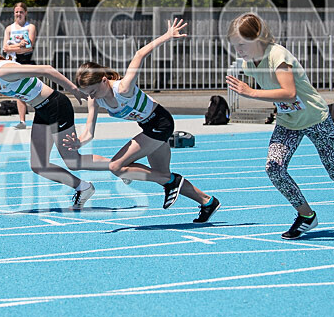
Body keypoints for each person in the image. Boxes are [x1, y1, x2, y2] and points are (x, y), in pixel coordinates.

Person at [226, 12, 334, 239]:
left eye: (241, 44)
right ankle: (306, 215)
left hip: (315, 119)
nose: (238, 50)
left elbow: (289, 92)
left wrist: (251, 92)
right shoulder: (248, 63)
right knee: (274, 168)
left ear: (257, 38)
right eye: (234, 45)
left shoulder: (278, 55)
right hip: (288, 122)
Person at [66, 19, 220, 222]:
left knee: (116, 166)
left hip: (161, 122)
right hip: (149, 127)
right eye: (88, 94)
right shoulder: (96, 100)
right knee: (161, 175)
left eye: (93, 91)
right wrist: (80, 142)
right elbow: (89, 132)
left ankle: (172, 181)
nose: (92, 97)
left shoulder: (123, 89)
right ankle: (208, 201)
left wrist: (167, 35)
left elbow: (140, 54)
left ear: (104, 80)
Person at [0, 50, 111, 209]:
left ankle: (117, 165)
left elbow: (47, 70)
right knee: (39, 165)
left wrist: (74, 90)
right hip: (42, 111)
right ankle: (83, 187)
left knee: (73, 161)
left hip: (56, 106)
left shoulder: (4, 70)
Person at [2, 2, 37, 129]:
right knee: (19, 92)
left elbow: (29, 47)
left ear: (25, 13)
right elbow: (5, 48)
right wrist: (19, 46)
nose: (18, 14)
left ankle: (42, 117)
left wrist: (15, 47)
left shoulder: (30, 27)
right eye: (16, 12)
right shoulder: (9, 29)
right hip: (13, 62)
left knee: (33, 90)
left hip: (26, 61)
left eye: (21, 12)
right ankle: (22, 121)